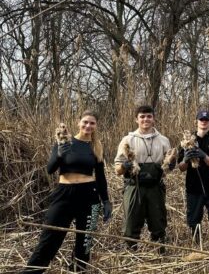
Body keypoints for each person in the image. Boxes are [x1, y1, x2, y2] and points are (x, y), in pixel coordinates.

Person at [23, 111, 112, 273]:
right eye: (85, 122)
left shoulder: (96, 146)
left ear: (96, 126)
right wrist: (58, 155)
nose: (88, 126)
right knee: (49, 238)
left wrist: (105, 200)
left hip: (89, 197)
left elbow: (100, 177)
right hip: (64, 194)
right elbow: (50, 170)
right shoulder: (64, 142)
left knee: (84, 243)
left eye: (92, 123)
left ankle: (77, 270)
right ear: (78, 123)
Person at [114, 105, 172, 252]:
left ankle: (160, 256)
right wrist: (125, 165)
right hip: (134, 187)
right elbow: (117, 170)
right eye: (142, 116)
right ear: (136, 119)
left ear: (154, 118)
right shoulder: (127, 140)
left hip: (155, 188)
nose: (146, 119)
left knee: (158, 223)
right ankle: (131, 256)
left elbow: (169, 167)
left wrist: (170, 164)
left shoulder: (164, 140)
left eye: (149, 116)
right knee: (131, 224)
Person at [175, 110, 209, 242]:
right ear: (196, 122)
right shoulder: (186, 141)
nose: (204, 122)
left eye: (206, 120)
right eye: (201, 120)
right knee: (193, 221)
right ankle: (197, 247)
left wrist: (203, 155)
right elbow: (180, 168)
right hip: (193, 187)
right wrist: (185, 159)